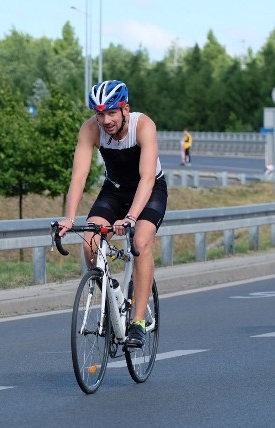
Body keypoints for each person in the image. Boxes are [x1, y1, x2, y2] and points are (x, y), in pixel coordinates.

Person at [57, 80, 167, 348]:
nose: (105, 120)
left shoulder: (143, 126)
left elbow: (146, 179)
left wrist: (130, 217)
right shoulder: (90, 129)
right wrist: (69, 217)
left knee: (140, 242)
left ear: (125, 110)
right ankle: (110, 295)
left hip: (149, 189)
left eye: (111, 113)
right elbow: (79, 177)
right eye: (99, 114)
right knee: (90, 240)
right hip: (114, 190)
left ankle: (138, 322)